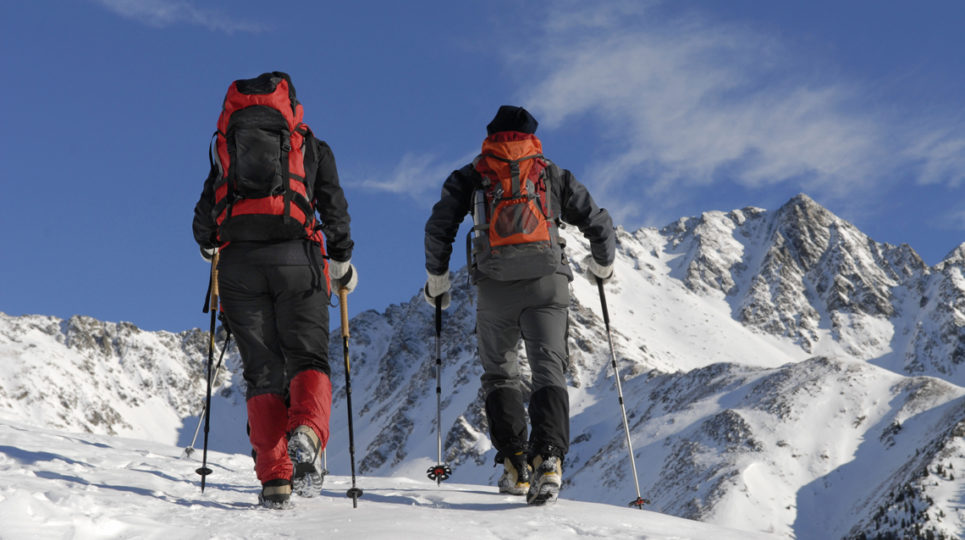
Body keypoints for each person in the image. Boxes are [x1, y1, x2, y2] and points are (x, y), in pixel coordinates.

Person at [424, 105, 615, 505]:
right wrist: (602, 262)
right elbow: (597, 221)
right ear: (532, 135)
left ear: (491, 135)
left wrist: (437, 276)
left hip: (495, 286)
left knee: (500, 375)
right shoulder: (551, 173)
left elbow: (440, 224)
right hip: (548, 283)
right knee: (549, 372)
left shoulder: (472, 174)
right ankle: (549, 461)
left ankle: (515, 465)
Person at [192, 71, 356, 509]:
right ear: (291, 105)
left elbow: (203, 220)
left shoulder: (226, 145)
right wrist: (341, 260)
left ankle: (275, 480)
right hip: (296, 259)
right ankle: (307, 432)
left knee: (262, 371)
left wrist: (213, 244)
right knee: (308, 357)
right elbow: (334, 206)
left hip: (239, 265)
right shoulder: (309, 145)